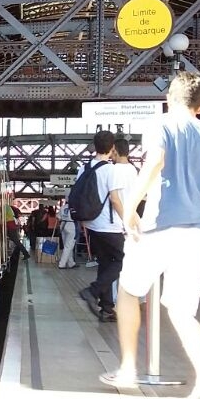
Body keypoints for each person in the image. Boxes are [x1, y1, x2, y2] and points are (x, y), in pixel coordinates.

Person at [99, 71, 200, 399]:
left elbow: (156, 162)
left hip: (161, 224)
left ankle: (128, 369)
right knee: (183, 312)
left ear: (168, 98)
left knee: (128, 291)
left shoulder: (160, 125)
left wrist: (130, 209)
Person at [77, 130, 124, 322]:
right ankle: (92, 291)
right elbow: (115, 200)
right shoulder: (111, 170)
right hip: (109, 226)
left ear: (95, 146)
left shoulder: (84, 168)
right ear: (112, 148)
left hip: (91, 224)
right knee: (123, 260)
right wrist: (128, 220)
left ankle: (106, 309)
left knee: (105, 263)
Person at [57, 198, 77, 268]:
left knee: (67, 245)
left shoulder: (62, 207)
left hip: (63, 225)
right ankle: (62, 264)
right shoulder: (74, 207)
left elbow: (58, 217)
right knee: (68, 246)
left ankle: (71, 262)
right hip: (71, 225)